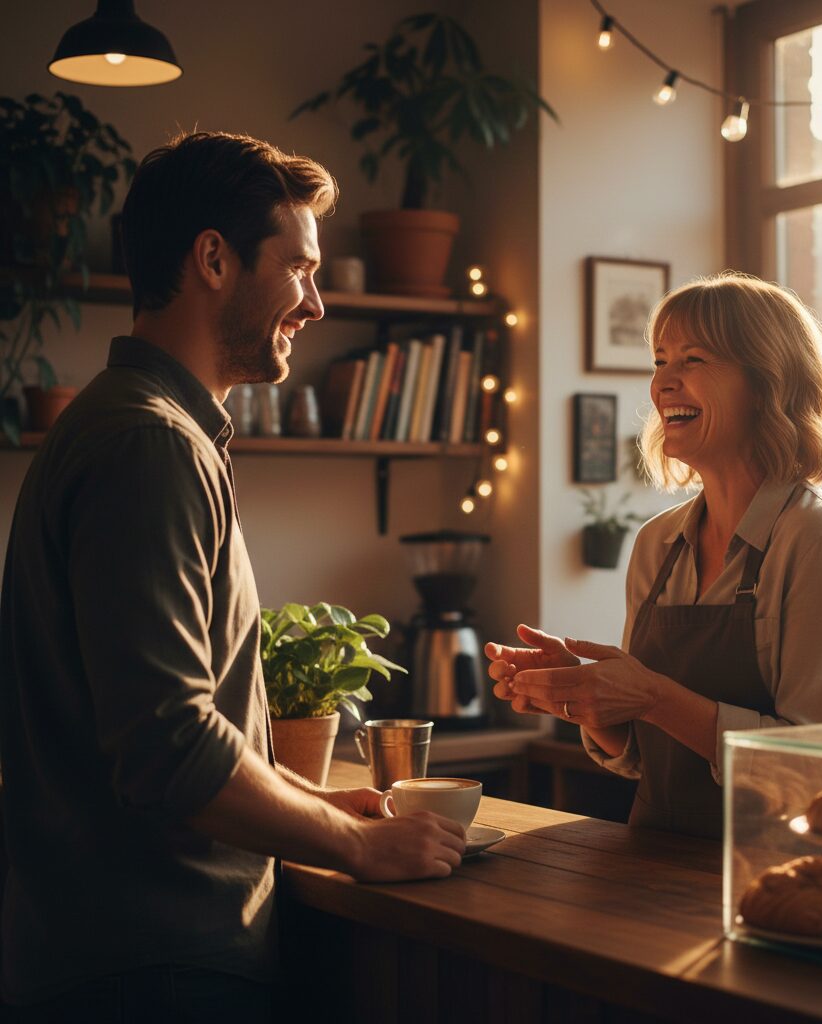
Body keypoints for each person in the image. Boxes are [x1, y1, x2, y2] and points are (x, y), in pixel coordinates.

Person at [0, 131, 464, 1020]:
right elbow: (168, 746)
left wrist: (320, 800)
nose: (317, 303)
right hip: (155, 971)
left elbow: (186, 732)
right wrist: (359, 850)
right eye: (299, 268)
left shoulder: (140, 428)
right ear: (214, 259)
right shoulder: (149, 443)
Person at [486, 273, 822, 838]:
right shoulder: (658, 544)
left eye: (692, 360)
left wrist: (652, 696)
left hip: (790, 882)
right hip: (658, 873)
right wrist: (586, 699)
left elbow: (820, 773)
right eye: (658, 362)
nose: (663, 385)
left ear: (766, 382)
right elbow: (641, 760)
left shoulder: (821, 540)